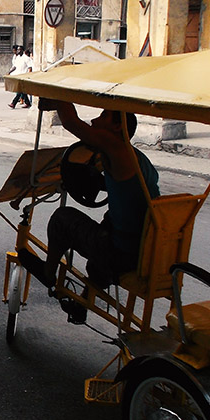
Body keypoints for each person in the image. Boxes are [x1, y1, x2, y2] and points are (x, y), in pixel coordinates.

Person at [37, 101, 159, 292]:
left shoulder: (115, 147)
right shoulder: (137, 158)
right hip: (143, 249)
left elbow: (70, 122)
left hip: (120, 253)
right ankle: (85, 299)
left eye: (103, 117)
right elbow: (122, 190)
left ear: (118, 127)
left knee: (62, 219)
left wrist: (59, 96)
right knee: (107, 222)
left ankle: (47, 273)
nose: (94, 121)